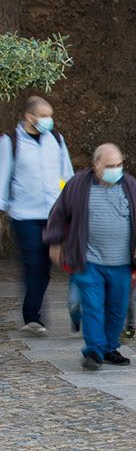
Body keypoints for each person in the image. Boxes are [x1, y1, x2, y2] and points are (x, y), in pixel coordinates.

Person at [43, 143, 136, 371]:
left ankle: (108, 348)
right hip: (89, 261)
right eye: (109, 166)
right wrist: (54, 241)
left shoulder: (132, 186)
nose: (115, 170)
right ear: (96, 165)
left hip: (121, 263)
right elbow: (58, 213)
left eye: (119, 165)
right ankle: (94, 351)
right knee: (93, 305)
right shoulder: (77, 185)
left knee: (117, 308)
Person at [1, 94, 73, 335]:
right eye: (44, 116)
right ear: (29, 116)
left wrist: (70, 204)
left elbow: (67, 175)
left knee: (46, 266)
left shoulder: (56, 139)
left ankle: (36, 313)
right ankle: (33, 316)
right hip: (24, 215)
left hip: (54, 213)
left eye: (50, 116)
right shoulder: (11, 141)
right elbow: (3, 176)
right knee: (33, 263)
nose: (49, 120)